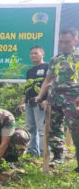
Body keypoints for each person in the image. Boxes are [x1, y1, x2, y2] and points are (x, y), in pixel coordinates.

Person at [36, 28, 79, 167]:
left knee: (75, 128)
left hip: (73, 98)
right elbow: (48, 79)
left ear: (75, 41)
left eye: (67, 42)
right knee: (53, 128)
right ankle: (58, 156)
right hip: (54, 98)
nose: (64, 45)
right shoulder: (55, 59)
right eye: (61, 42)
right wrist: (40, 96)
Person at [18, 46, 48, 157]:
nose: (33, 55)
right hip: (29, 103)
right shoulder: (30, 71)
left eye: (36, 53)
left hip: (41, 102)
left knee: (41, 128)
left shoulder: (47, 67)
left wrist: (46, 100)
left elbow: (50, 84)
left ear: (42, 54)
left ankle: (43, 154)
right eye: (31, 54)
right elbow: (26, 89)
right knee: (30, 128)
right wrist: (23, 102)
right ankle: (32, 152)